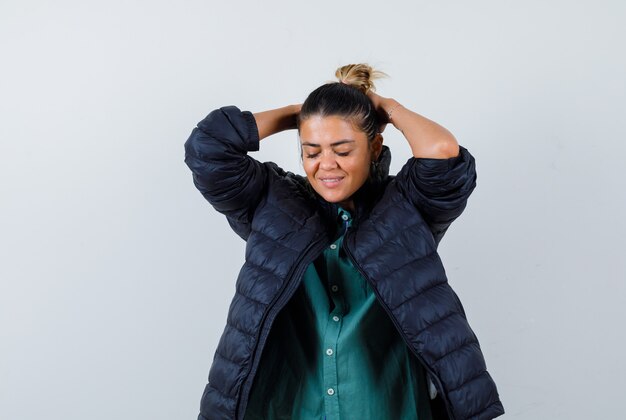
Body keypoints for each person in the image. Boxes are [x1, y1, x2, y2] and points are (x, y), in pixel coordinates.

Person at [184, 64, 504, 420]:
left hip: (388, 406)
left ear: (374, 146)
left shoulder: (409, 206)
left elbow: (443, 151)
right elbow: (208, 148)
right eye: (312, 151)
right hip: (290, 405)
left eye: (343, 149)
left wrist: (387, 108)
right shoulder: (272, 202)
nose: (327, 165)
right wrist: (302, 114)